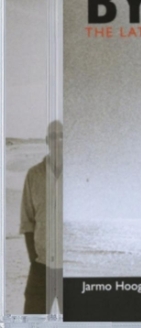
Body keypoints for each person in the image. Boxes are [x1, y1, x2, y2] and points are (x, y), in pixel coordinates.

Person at [20, 121, 63, 314]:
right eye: (53, 136)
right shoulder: (34, 175)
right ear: (47, 140)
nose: (58, 140)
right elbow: (27, 221)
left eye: (62, 136)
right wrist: (34, 259)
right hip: (41, 266)